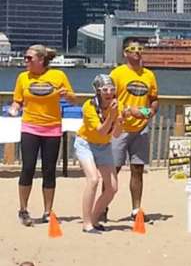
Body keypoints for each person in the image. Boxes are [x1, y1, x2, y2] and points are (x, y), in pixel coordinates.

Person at [10, 45, 76, 226]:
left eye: (29, 58)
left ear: (41, 60)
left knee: (49, 170)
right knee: (28, 167)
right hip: (30, 127)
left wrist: (67, 95)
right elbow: (17, 99)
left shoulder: (58, 76)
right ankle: (23, 210)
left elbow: (73, 98)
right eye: (25, 58)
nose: (26, 61)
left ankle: (48, 211)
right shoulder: (23, 77)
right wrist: (15, 107)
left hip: (52, 128)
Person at [110, 38, 159, 219]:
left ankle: (136, 209)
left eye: (140, 49)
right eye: (133, 49)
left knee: (137, 169)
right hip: (120, 128)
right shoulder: (117, 74)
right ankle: (103, 206)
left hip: (141, 128)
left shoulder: (149, 75)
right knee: (112, 169)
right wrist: (126, 111)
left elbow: (154, 100)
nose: (137, 52)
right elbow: (107, 100)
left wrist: (146, 112)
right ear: (125, 52)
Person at [74, 75, 123, 233]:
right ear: (98, 91)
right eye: (105, 90)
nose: (109, 93)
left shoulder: (118, 105)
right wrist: (111, 115)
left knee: (113, 187)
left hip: (104, 145)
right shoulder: (89, 106)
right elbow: (101, 131)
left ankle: (94, 219)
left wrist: (120, 120)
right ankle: (86, 223)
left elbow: (115, 135)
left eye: (112, 90)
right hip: (86, 143)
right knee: (93, 179)